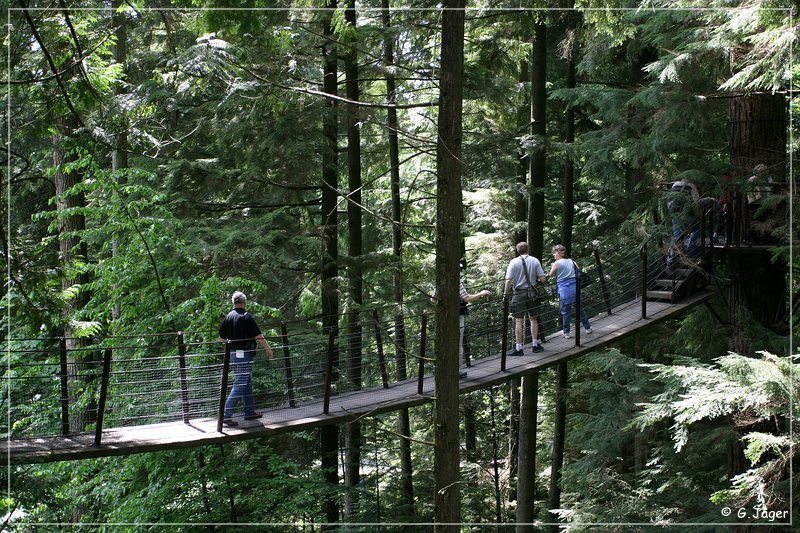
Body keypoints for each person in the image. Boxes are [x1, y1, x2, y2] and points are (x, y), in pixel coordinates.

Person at [219, 291, 273, 427]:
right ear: (244, 302)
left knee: (245, 381)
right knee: (241, 383)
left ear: (234, 302)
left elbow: (221, 337)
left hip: (233, 353)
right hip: (243, 353)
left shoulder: (228, 317)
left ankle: (249, 411)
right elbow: (258, 335)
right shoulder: (246, 317)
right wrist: (268, 348)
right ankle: (225, 415)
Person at [432, 279, 491, 378]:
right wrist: (481, 293)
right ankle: (456, 370)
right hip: (457, 316)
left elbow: (433, 299)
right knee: (457, 343)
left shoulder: (441, 280)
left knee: (444, 342)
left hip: (443, 318)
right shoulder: (455, 280)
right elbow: (466, 298)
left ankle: (439, 368)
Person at [504, 242, 546, 356]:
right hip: (532, 293)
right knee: (533, 319)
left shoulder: (513, 262)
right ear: (528, 249)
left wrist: (505, 294)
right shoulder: (535, 260)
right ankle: (535, 344)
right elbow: (542, 279)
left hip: (518, 293)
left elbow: (508, 280)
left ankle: (519, 348)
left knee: (518, 321)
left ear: (518, 251)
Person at [549, 244, 592, 338]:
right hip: (574, 287)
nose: (553, 255)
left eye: (554, 253)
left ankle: (566, 332)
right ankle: (588, 328)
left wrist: (553, 266)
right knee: (579, 309)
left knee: (565, 311)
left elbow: (551, 274)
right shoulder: (572, 261)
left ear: (558, 253)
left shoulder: (557, 263)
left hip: (564, 288)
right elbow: (578, 271)